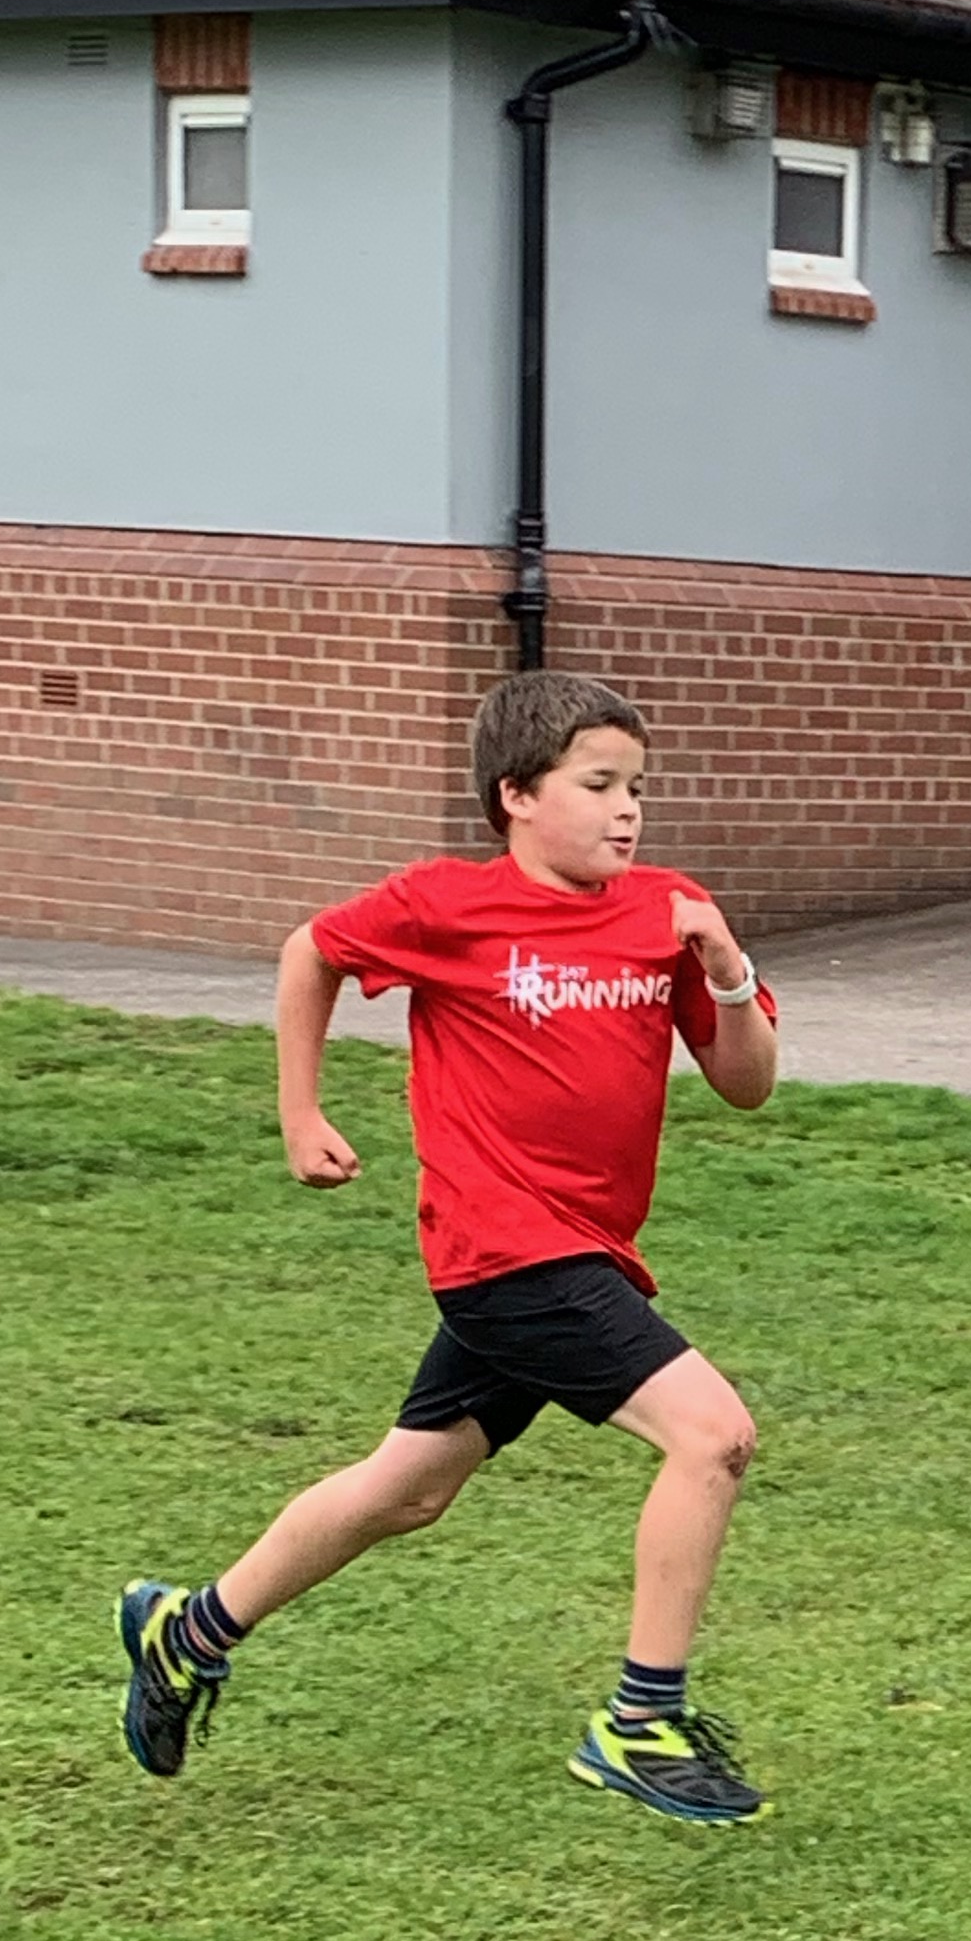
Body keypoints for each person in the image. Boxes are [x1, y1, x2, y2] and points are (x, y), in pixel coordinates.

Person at [117, 669, 783, 1825]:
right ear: (516, 795)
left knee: (410, 1489)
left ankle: (191, 1629)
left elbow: (747, 1085)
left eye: (637, 787)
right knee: (712, 1435)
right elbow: (312, 951)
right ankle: (641, 1723)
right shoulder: (446, 905)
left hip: (586, 1251)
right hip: (505, 1253)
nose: (628, 809)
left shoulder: (668, 910)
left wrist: (729, 975)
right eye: (599, 785)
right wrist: (301, 1114)